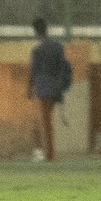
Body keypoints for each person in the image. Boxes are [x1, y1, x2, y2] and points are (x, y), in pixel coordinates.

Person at [28, 17, 72, 162]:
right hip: (55, 88)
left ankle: (49, 155)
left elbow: (34, 71)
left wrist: (30, 88)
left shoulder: (37, 51)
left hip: (43, 88)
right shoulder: (58, 47)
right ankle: (49, 153)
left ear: (36, 32)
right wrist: (61, 86)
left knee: (46, 121)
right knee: (47, 120)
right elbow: (62, 67)